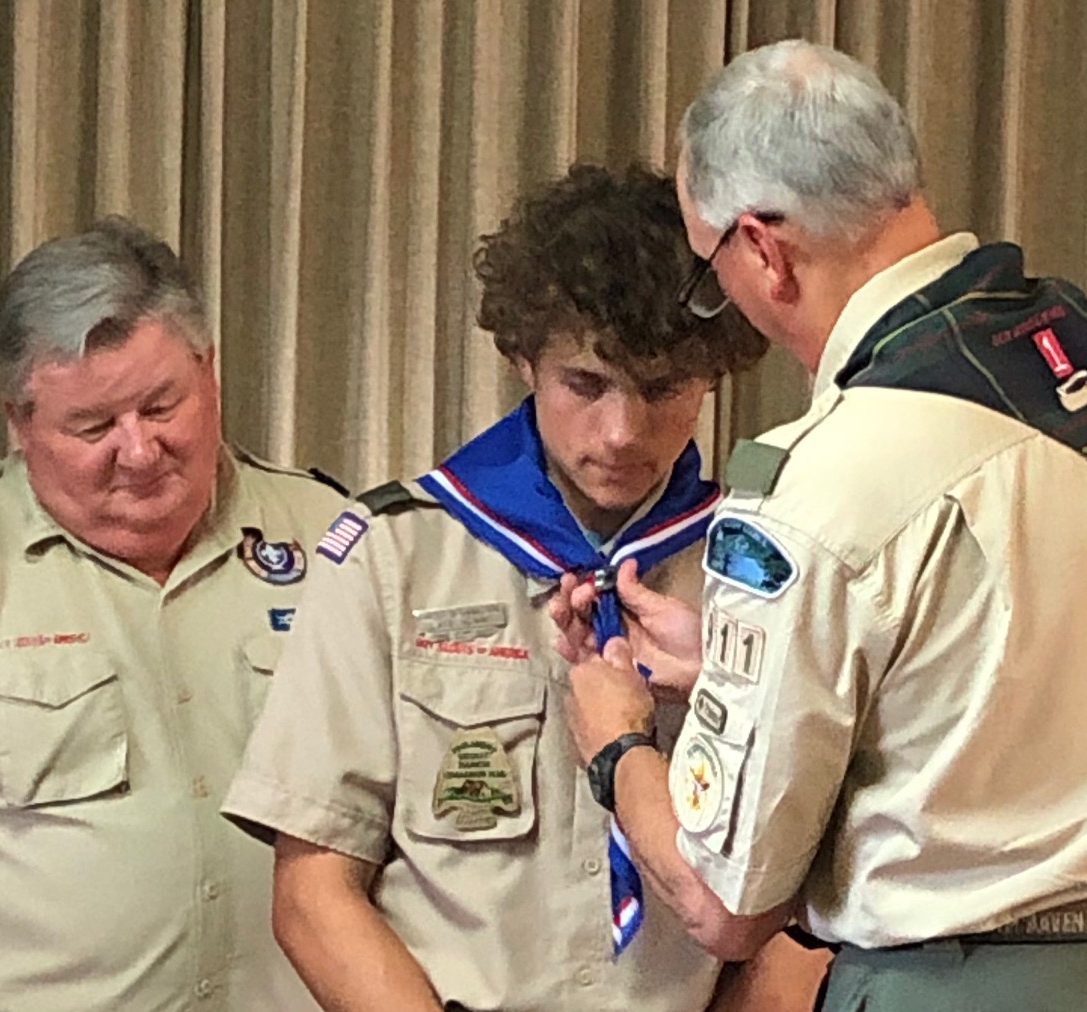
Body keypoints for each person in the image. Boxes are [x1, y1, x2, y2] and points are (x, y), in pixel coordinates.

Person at [557, 40, 1087, 1012]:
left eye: (713, 275)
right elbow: (1034, 685)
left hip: (979, 986)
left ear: (764, 251)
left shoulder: (820, 479)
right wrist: (754, 670)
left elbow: (724, 902)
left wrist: (617, 745)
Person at [221, 164, 830, 1011]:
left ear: (713, 374)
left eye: (663, 389)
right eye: (587, 384)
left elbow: (806, 904)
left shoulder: (760, 571)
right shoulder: (394, 555)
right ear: (522, 359)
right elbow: (314, 891)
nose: (622, 432)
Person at [0, 218, 346, 1012]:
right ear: (19, 422)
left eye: (161, 406)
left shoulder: (334, 537)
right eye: (94, 426)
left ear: (209, 372)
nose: (140, 451)